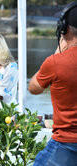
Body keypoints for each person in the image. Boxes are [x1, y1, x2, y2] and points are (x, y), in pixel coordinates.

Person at [29, 3, 77, 166]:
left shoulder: (56, 63)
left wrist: (57, 53)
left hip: (66, 146)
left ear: (65, 29)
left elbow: (34, 88)